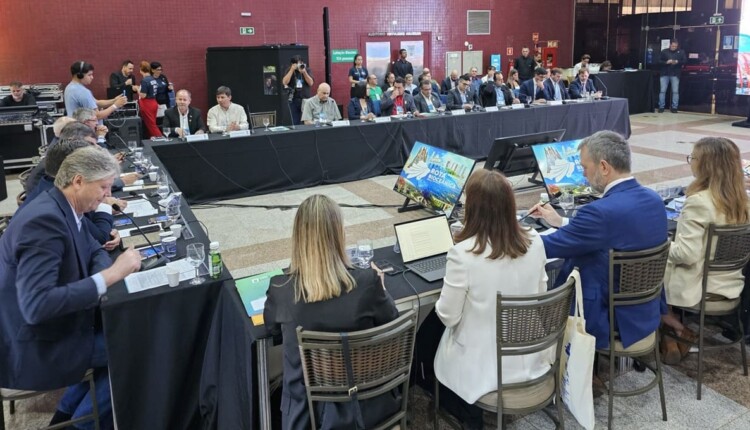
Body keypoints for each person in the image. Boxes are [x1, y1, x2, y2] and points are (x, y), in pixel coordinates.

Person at [0, 146, 142, 430]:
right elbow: (37, 306)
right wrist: (110, 275)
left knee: (129, 329)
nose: (107, 195)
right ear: (78, 181)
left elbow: (93, 249)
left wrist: (101, 270)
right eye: (102, 187)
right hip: (35, 344)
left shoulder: (64, 206)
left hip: (58, 325)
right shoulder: (44, 221)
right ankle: (80, 426)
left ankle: (66, 416)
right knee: (137, 345)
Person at [264, 194, 400, 430]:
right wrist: (382, 288)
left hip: (305, 416)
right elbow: (392, 320)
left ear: (298, 238)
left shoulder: (281, 290)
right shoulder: (367, 283)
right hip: (366, 407)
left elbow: (270, 329)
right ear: (339, 235)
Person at [528, 131, 668, 350]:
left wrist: (506, 231)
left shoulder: (599, 213)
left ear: (603, 167)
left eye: (584, 167)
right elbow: (615, 233)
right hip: (645, 311)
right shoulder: (654, 199)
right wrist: (561, 222)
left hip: (607, 317)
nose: (583, 175)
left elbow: (546, 247)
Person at [434, 169, 550, 429]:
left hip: (483, 369)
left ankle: (464, 415)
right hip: (531, 356)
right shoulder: (535, 240)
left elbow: (448, 316)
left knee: (428, 333)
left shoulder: (462, 254)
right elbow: (541, 295)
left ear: (472, 209)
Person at [660, 137, 750, 364]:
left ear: (706, 165)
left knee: (645, 270)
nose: (690, 162)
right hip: (732, 283)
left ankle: (672, 329)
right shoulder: (743, 200)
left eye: (693, 158)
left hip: (700, 286)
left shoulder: (699, 202)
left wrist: (660, 244)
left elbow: (686, 254)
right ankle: (673, 333)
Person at [19, 139, 123, 250]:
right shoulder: (50, 216)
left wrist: (109, 232)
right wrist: (104, 206)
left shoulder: (55, 189)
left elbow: (91, 242)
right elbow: (100, 238)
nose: (108, 193)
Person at [282, 55, 314, 125]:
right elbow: (284, 82)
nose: (299, 65)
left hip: (305, 99)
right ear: (293, 64)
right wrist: (291, 70)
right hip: (294, 99)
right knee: (295, 121)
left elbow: (311, 83)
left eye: (300, 63)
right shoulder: (289, 70)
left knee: (306, 120)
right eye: (297, 63)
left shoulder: (307, 70)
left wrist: (304, 72)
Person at [658, 40, 686, 113]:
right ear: (670, 45)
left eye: (675, 46)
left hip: (675, 74)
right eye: (673, 46)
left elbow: (685, 61)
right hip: (664, 73)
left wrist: (677, 62)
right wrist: (666, 62)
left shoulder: (681, 52)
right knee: (662, 91)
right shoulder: (664, 51)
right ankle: (661, 107)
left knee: (675, 91)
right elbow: (658, 61)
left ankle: (674, 107)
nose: (674, 47)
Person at [137, 61, 161, 138]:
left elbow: (143, 95)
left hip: (147, 103)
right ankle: (153, 139)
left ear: (141, 69)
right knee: (152, 123)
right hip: (154, 102)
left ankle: (160, 139)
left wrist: (137, 89)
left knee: (151, 125)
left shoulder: (145, 80)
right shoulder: (152, 79)